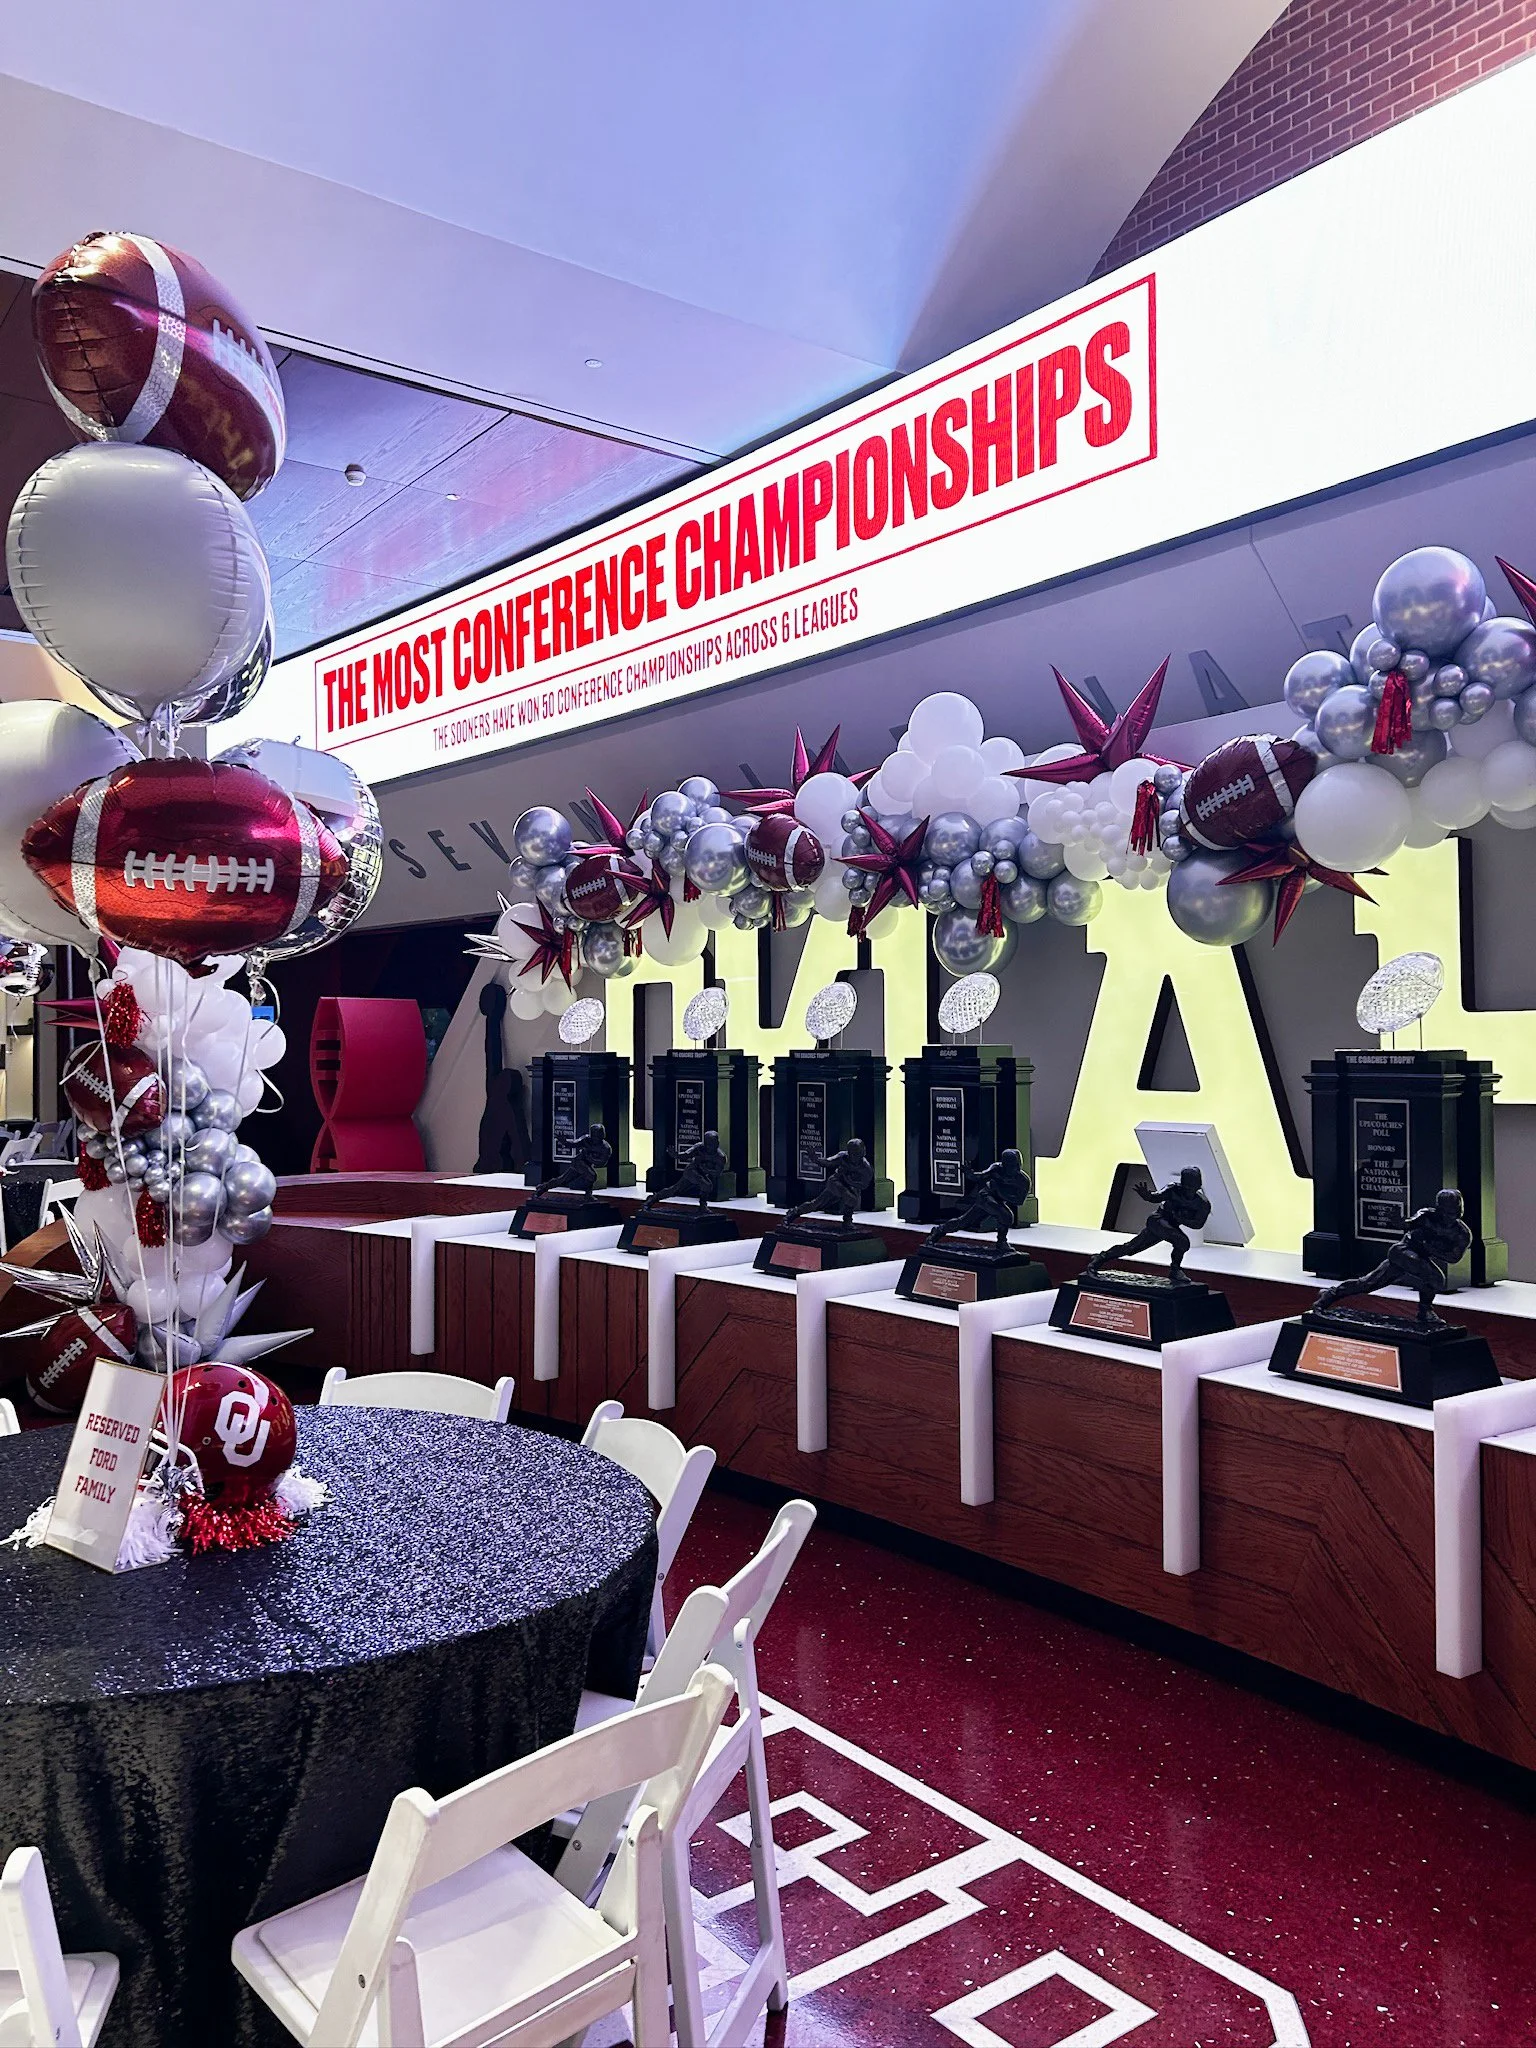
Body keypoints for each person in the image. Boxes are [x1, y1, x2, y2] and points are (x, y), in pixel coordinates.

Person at [1313, 1187, 1470, 1330]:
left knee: (1368, 1283)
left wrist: (1429, 1248)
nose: (1450, 1217)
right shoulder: (1426, 1216)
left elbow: (1454, 1258)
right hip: (1403, 1252)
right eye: (1446, 1212)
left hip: (1418, 1257)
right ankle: (1425, 1311)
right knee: (1433, 1277)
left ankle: (1330, 1294)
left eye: (1454, 1213)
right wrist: (1398, 1221)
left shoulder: (1462, 1233)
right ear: (1439, 1209)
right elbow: (1408, 1223)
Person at [1084, 1164, 1210, 1282]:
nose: (1188, 1191)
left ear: (1198, 1187)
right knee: (1182, 1242)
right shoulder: (1173, 1189)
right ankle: (1175, 1269)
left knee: (1132, 1248)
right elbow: (1157, 1197)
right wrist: (1147, 1195)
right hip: (1158, 1220)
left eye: (1192, 1188)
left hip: (1170, 1226)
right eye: (1186, 1187)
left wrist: (1180, 1219)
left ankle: (1100, 1258)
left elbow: (1198, 1224)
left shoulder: (1202, 1204)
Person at [926, 1149, 1032, 1249]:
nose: (1012, 1170)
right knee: (1005, 1216)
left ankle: (939, 1230)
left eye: (1015, 1166)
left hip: (997, 1199)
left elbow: (1018, 1201)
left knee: (965, 1221)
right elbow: (981, 1176)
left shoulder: (1023, 1181)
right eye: (1009, 1166)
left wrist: (999, 1190)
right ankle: (1001, 1242)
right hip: (986, 1197)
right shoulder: (996, 1168)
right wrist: (969, 1174)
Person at [785, 1136, 874, 1228]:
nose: (855, 1157)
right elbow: (828, 1162)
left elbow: (863, 1185)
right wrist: (815, 1159)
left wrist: (849, 1180)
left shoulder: (866, 1168)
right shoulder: (843, 1157)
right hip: (835, 1182)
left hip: (850, 1186)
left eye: (858, 1153)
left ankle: (847, 1220)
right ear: (849, 1153)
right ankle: (794, 1213)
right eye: (853, 1153)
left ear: (863, 1152)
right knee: (849, 1199)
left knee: (817, 1204)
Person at [638, 1130, 727, 1212]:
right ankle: (651, 1200)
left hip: (702, 1173)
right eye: (707, 1144)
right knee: (705, 1185)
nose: (709, 1147)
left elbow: (717, 1173)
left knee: (675, 1190)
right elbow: (685, 1155)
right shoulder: (699, 1147)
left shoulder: (720, 1157)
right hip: (692, 1171)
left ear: (717, 1143)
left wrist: (706, 1170)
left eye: (712, 1144)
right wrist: (675, 1155)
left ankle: (652, 1199)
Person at [532, 1123, 612, 1200]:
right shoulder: (586, 1140)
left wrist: (590, 1158)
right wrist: (565, 1142)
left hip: (586, 1163)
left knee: (563, 1180)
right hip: (578, 1162)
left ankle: (542, 1187)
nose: (595, 1139)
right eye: (594, 1137)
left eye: (598, 1137)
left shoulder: (605, 1148)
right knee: (589, 1176)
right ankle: (588, 1194)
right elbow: (574, 1144)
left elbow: (602, 1162)